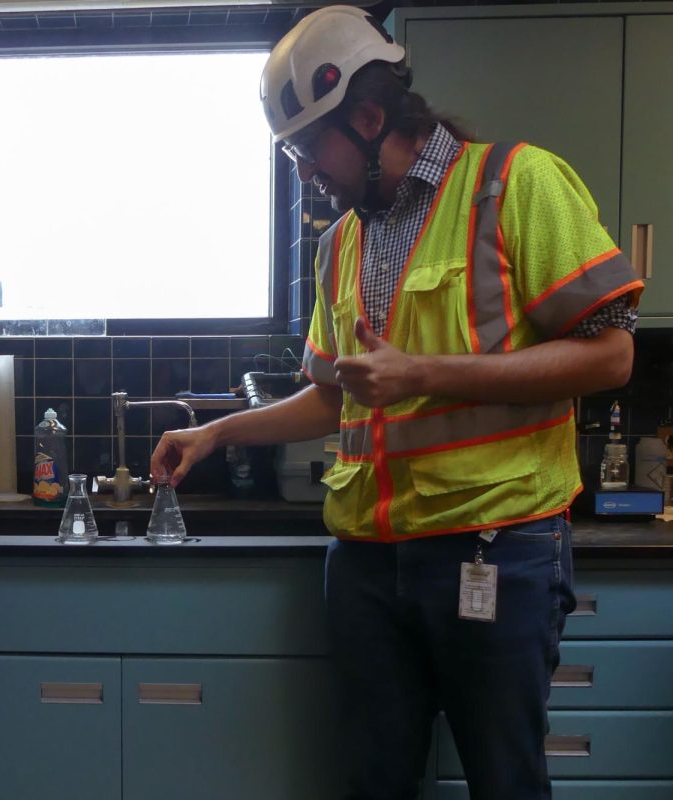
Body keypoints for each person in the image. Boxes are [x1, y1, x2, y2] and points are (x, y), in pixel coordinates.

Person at [152, 7, 643, 800]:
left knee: (505, 781)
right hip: (368, 564)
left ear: (371, 118)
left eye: (312, 151)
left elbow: (613, 353)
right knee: (373, 781)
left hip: (495, 548)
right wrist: (216, 433)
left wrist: (423, 374)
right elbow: (330, 399)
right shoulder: (339, 242)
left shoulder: (514, 183)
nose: (307, 174)